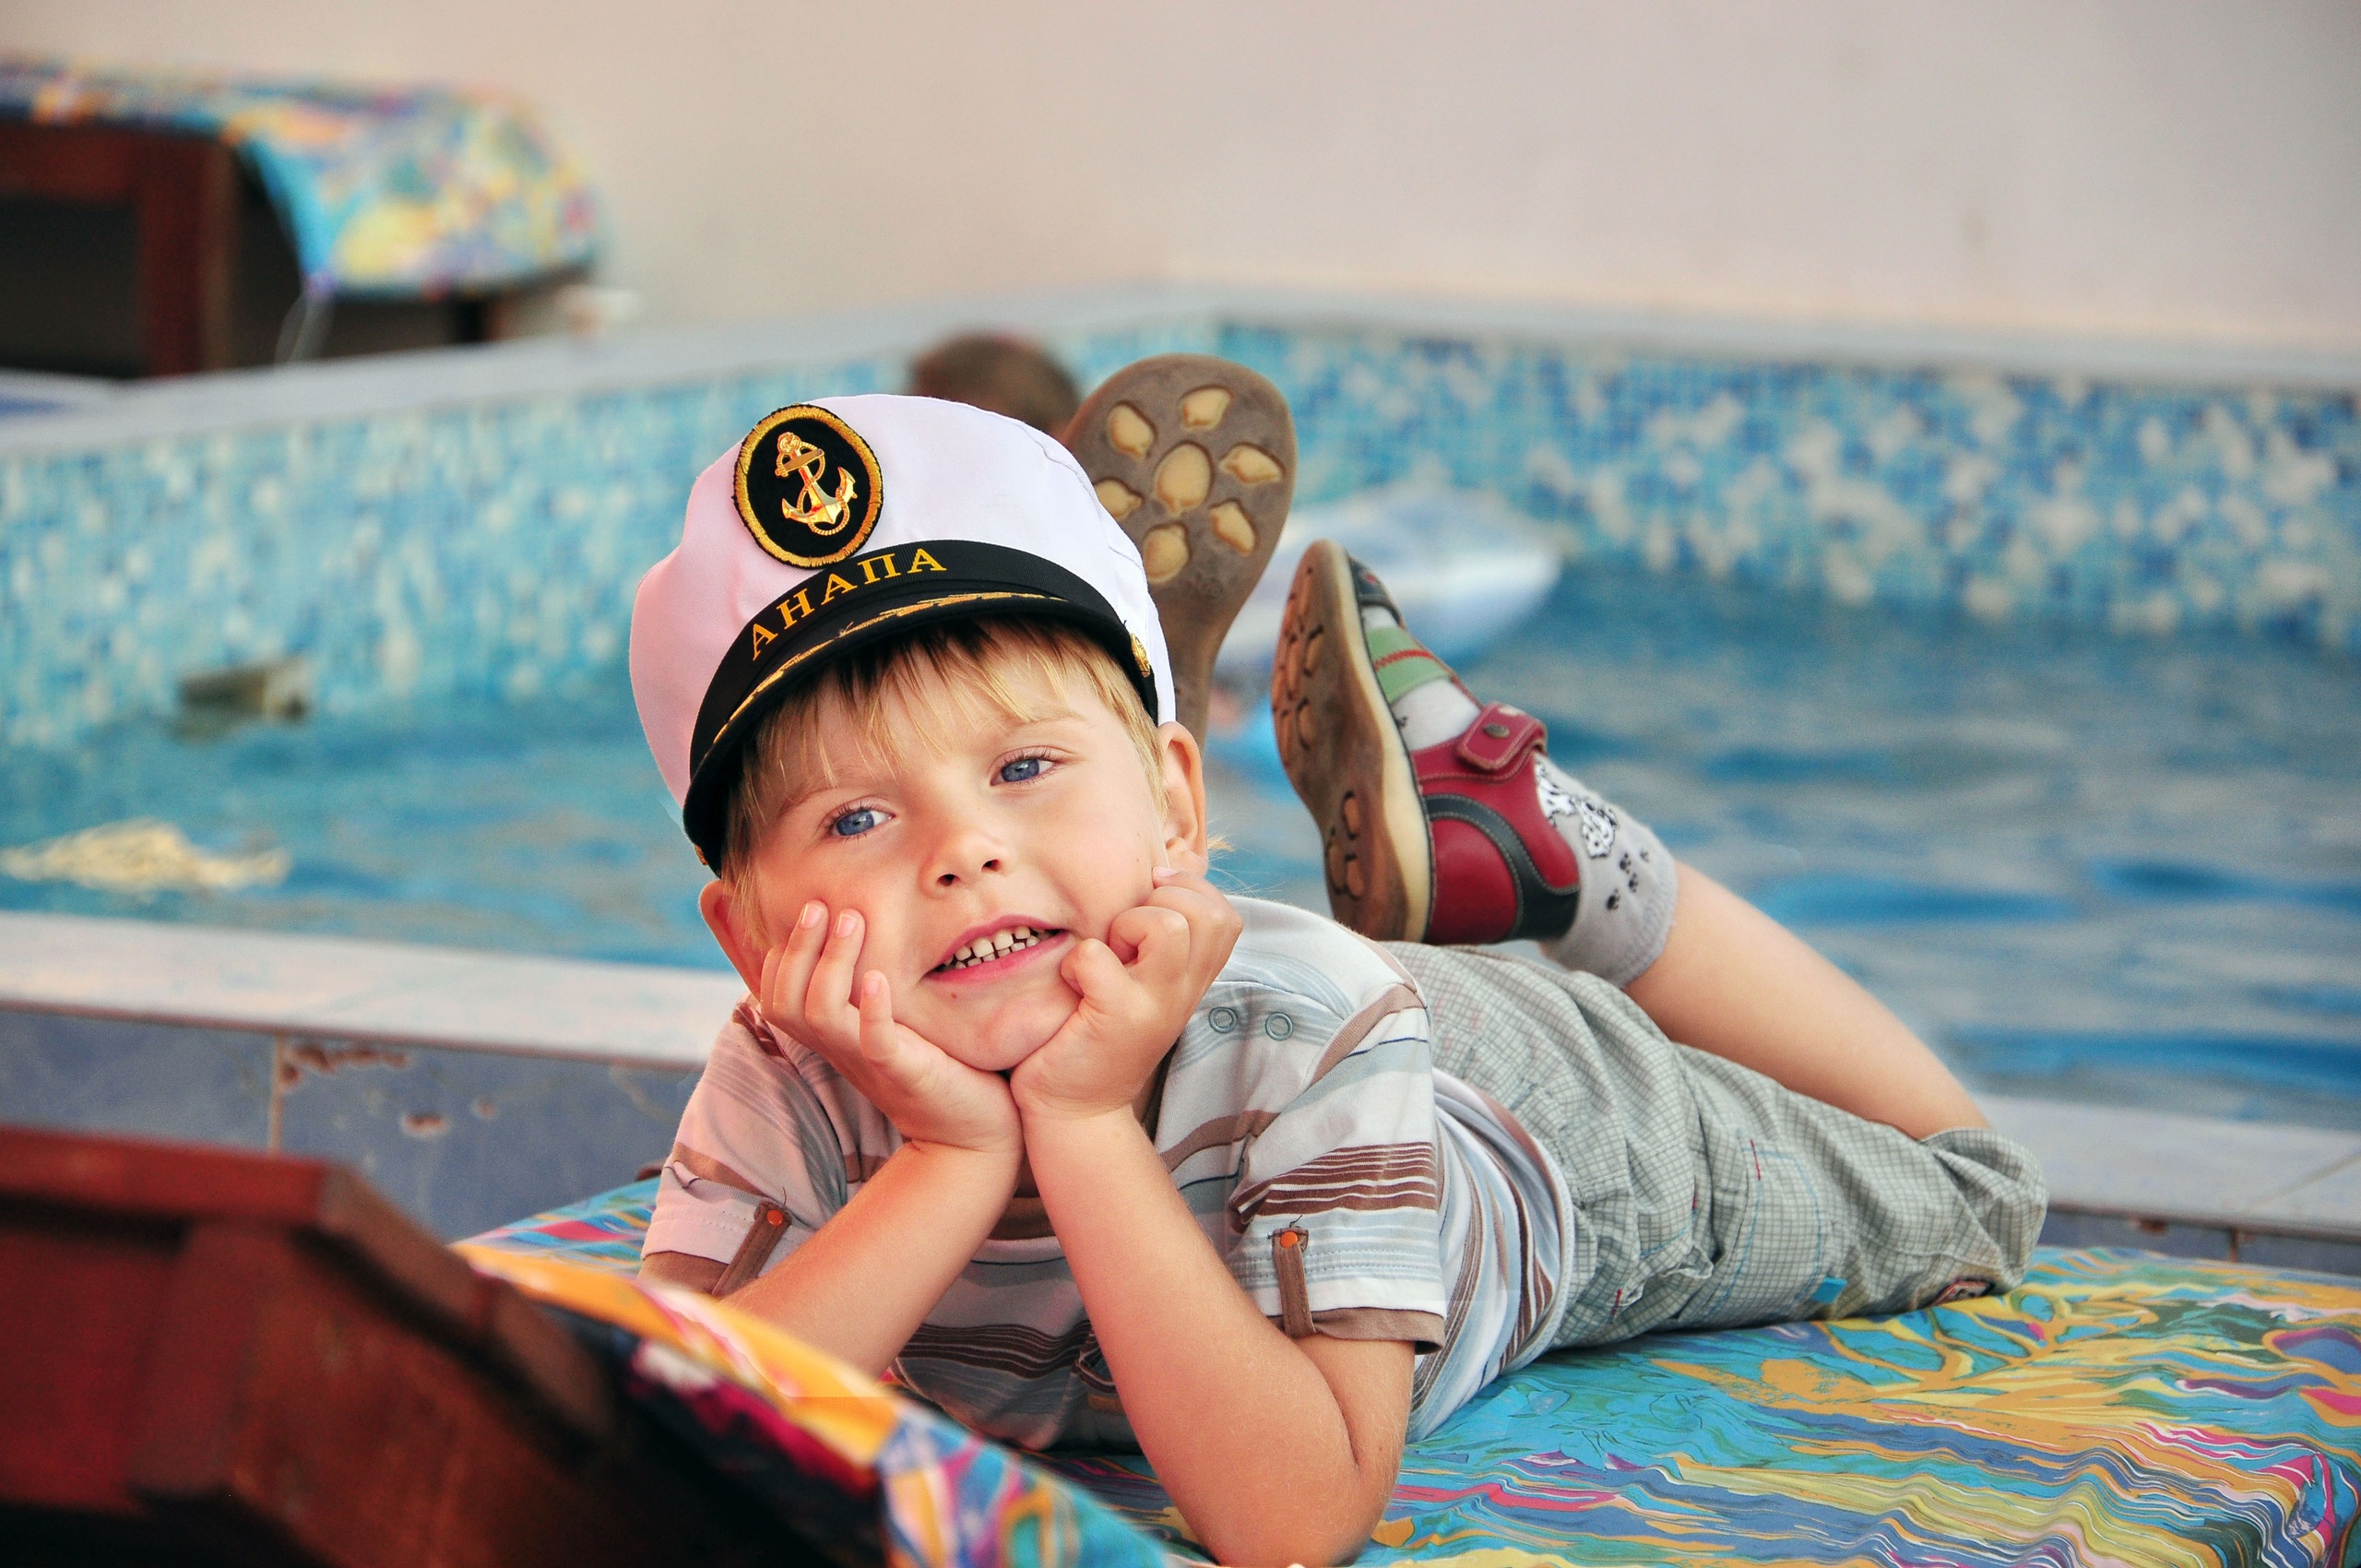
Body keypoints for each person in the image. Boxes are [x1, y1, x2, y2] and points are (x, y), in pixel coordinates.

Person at [627, 374, 2044, 1568]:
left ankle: (1552, 858)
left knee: (1979, 1193)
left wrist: (1080, 1124)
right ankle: (1137, 766)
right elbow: (664, 1440)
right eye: (856, 820)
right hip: (1249, 1030)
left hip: (1529, 1127)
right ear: (748, 938)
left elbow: (1294, 1522)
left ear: (1184, 802)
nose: (961, 853)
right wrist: (947, 1158)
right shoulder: (788, 1065)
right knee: (1158, 930)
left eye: (1019, 769)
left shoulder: (1312, 1021)